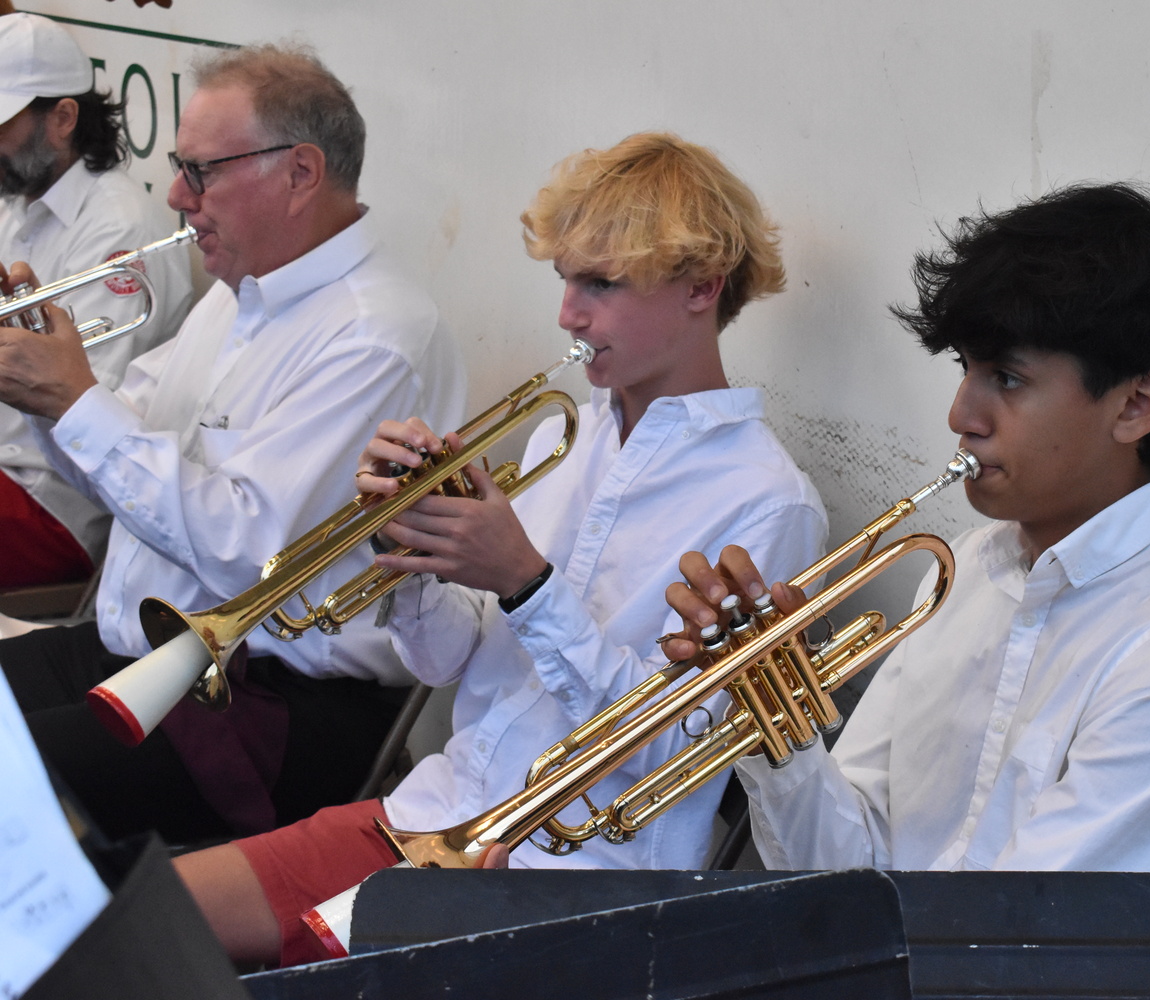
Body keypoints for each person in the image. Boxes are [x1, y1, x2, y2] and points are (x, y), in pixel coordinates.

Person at [172, 131, 828, 969]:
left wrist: (526, 582)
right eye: (564, 278)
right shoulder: (576, 435)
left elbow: (685, 751)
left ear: (702, 287)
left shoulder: (768, 502)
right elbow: (450, 665)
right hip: (431, 814)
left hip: (576, 878)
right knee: (142, 930)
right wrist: (412, 553)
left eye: (601, 283)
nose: (567, 313)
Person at [665, 183, 1150, 1000]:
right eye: (965, 368)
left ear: (1138, 404)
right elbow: (843, 877)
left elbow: (1021, 965)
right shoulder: (972, 569)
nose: (960, 413)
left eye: (1006, 378)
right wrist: (773, 717)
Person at [0, 43, 466, 845]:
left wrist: (74, 401)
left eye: (201, 171)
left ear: (301, 173)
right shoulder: (239, 293)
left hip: (265, 708)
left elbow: (250, 553)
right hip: (148, 660)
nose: (177, 196)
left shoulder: (374, 334)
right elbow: (114, 459)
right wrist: (40, 380)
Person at [0, 12, 192, 587]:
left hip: (49, 501)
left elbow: (83, 407)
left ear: (62, 118)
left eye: (2, 124)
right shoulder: (16, 194)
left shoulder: (119, 228)